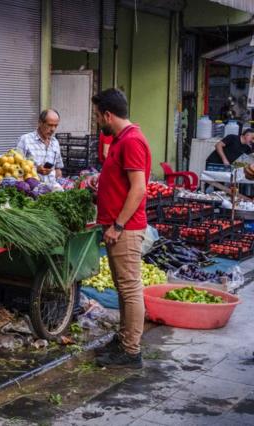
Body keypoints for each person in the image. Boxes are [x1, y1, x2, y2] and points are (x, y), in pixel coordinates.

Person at [91, 88, 151, 369]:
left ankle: (131, 351)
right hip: (119, 226)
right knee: (124, 288)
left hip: (125, 229)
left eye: (97, 115)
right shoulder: (121, 139)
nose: (96, 120)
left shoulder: (131, 141)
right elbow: (123, 182)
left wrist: (117, 225)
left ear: (107, 114)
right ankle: (125, 339)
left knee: (129, 289)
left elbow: (139, 189)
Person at [16, 109, 64, 183]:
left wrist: (60, 184)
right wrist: (36, 170)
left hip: (52, 191)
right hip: (32, 191)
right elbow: (16, 168)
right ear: (40, 123)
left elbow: (58, 168)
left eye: (56, 126)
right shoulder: (25, 140)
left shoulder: (55, 143)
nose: (53, 129)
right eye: (50, 125)